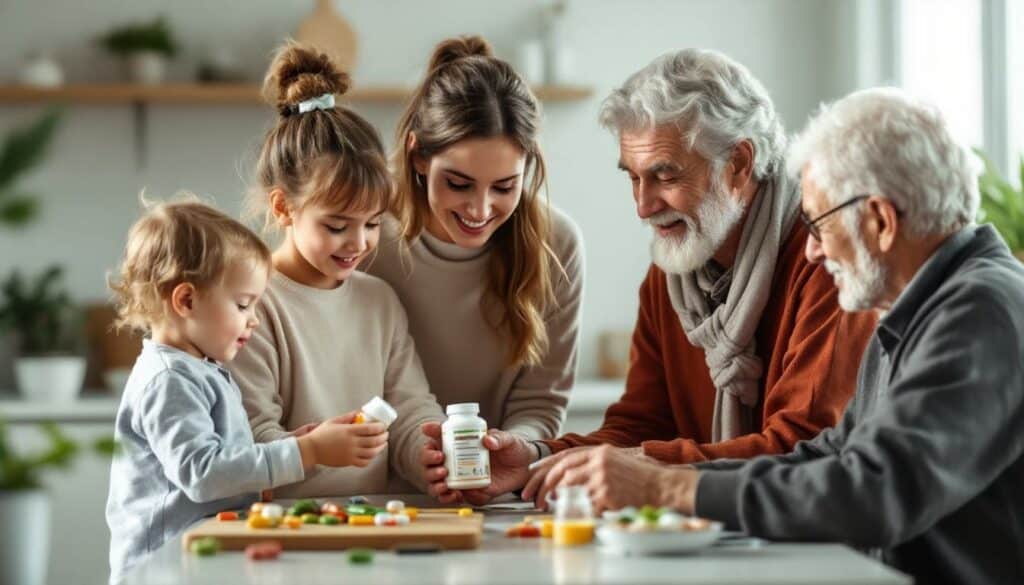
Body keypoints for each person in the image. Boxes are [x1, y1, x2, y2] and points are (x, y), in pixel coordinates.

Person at [535, 88, 1024, 585]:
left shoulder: (980, 311)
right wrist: (654, 478)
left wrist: (662, 490)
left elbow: (873, 493)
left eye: (819, 224)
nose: (812, 251)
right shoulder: (918, 307)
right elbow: (826, 457)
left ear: (880, 221)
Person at [423, 48, 876, 504]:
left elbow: (801, 451)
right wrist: (537, 457)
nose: (643, 206)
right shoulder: (672, 275)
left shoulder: (828, 262)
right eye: (634, 178)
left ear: (739, 163)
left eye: (665, 176)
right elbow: (641, 428)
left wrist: (645, 469)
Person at [364, 36, 584, 500]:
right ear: (418, 156)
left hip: (494, 495)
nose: (480, 210)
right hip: (375, 498)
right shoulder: (365, 235)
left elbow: (541, 402)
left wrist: (512, 450)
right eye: (459, 184)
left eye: (504, 187)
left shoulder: (557, 244)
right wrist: (417, 456)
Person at [105, 199, 361, 581]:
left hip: (199, 561)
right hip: (164, 569)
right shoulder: (168, 381)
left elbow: (226, 458)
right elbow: (204, 474)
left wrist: (296, 442)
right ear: (186, 300)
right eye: (243, 305)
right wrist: (306, 451)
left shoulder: (200, 370)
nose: (253, 320)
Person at [230, 43, 445, 497]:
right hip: (281, 524)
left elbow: (410, 407)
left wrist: (429, 454)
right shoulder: (250, 304)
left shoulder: (378, 301)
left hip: (372, 519)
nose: (359, 243)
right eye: (336, 226)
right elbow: (247, 438)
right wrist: (315, 449)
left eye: (372, 223)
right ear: (283, 207)